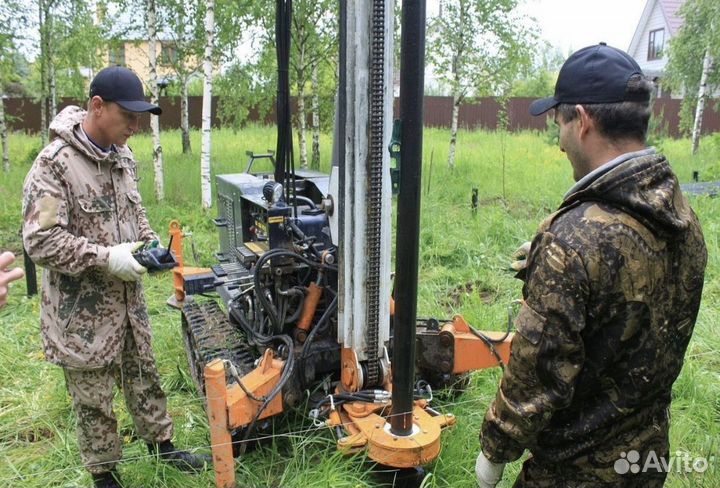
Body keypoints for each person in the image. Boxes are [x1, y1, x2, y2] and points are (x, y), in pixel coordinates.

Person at [475, 43, 707, 488]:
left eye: (558, 124)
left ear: (581, 121)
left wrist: (494, 451)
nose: (559, 142)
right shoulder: (683, 218)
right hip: (647, 461)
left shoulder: (574, 240)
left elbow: (537, 375)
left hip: (574, 473)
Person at [22, 66, 209, 488]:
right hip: (81, 316)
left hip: (128, 302)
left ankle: (162, 445)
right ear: (97, 107)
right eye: (129, 115)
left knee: (144, 374)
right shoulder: (54, 167)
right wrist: (105, 257)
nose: (136, 126)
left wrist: (148, 245)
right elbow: (39, 241)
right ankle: (104, 472)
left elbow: (135, 211)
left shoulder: (123, 157)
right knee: (93, 399)